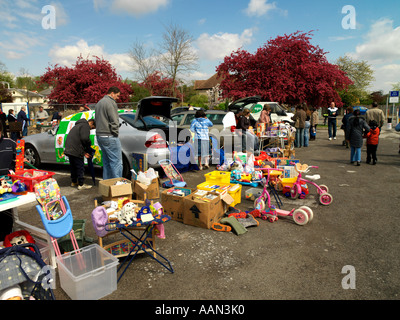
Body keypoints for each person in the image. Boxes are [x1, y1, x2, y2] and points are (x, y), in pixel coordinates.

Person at [95, 86, 123, 179]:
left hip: (100, 135)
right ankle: (118, 186)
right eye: (117, 96)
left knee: (106, 162)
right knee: (117, 162)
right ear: (112, 94)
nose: (118, 98)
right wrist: (115, 133)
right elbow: (114, 120)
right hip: (109, 136)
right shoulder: (111, 102)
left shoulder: (99, 103)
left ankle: (107, 185)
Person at [64, 118, 96, 190]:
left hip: (69, 148)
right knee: (80, 166)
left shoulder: (77, 126)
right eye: (92, 128)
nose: (91, 129)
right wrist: (88, 146)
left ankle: (74, 181)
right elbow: (84, 138)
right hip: (75, 148)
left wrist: (84, 152)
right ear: (91, 123)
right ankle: (81, 184)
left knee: (73, 166)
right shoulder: (85, 126)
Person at [0, 121, 16, 241]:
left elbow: (18, 158)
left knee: (7, 215)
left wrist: (21, 160)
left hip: (8, 186)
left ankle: (6, 238)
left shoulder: (10, 143)